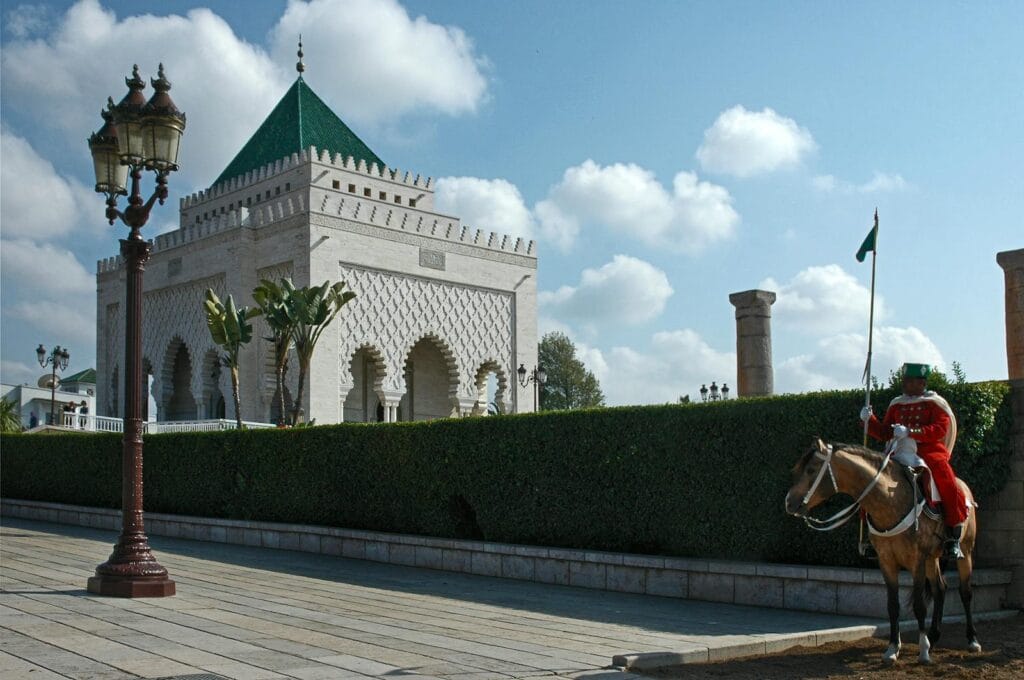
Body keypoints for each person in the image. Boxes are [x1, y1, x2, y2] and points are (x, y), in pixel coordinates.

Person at [860, 362, 968, 559]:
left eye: (909, 381)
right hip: (898, 450)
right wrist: (870, 420)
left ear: (921, 383)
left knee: (947, 482)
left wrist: (911, 432)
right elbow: (885, 433)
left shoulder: (935, 403)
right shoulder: (897, 403)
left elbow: (939, 430)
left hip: (927, 451)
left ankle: (953, 534)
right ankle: (871, 534)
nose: (905, 384)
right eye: (904, 380)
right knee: (871, 480)